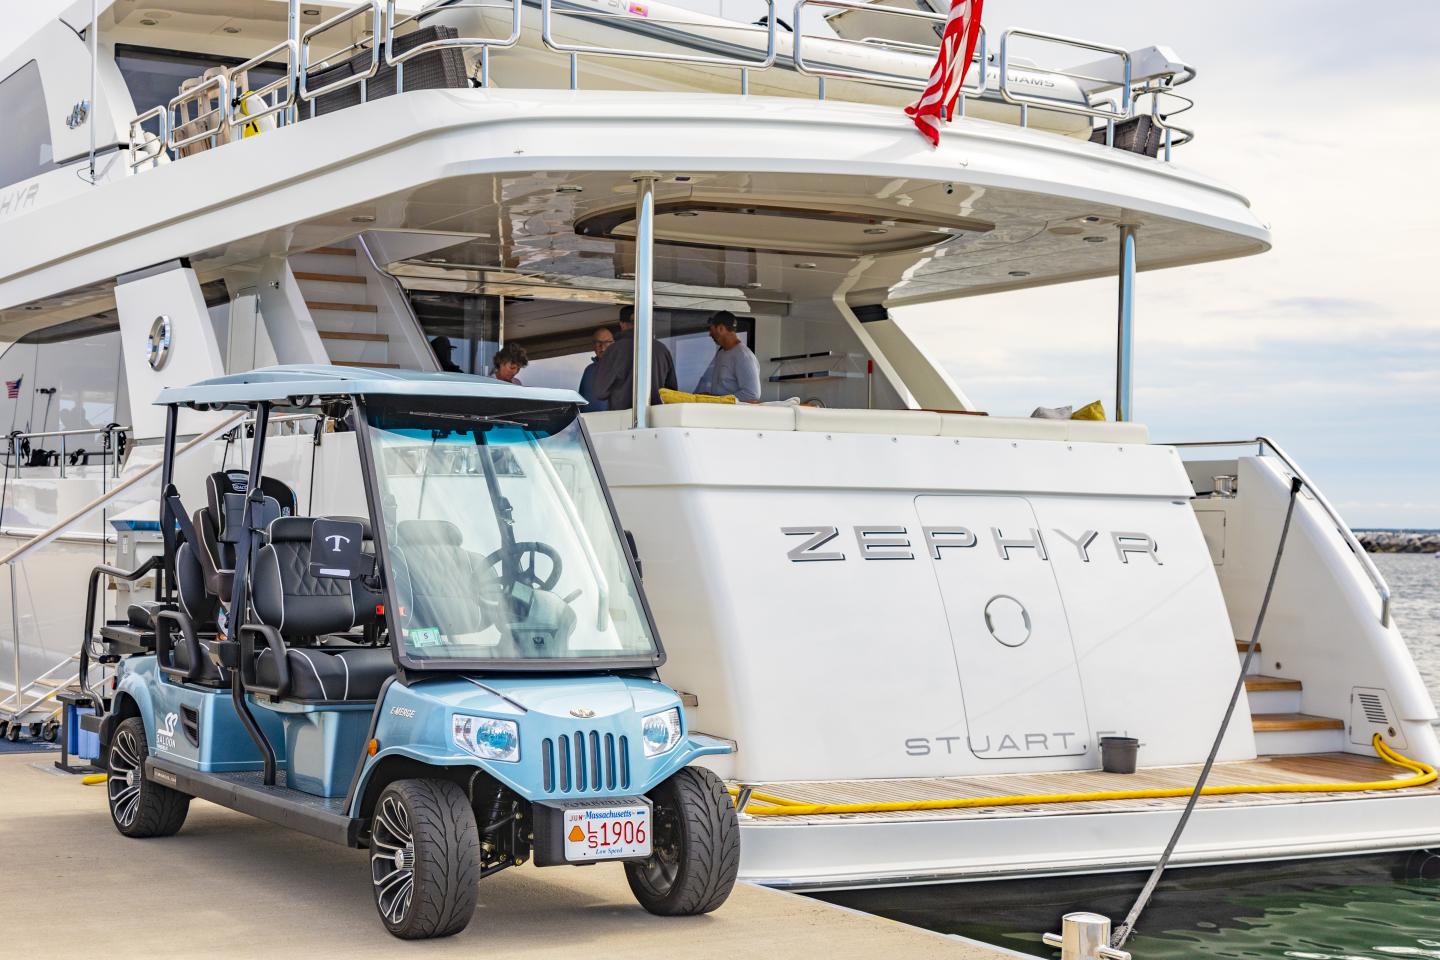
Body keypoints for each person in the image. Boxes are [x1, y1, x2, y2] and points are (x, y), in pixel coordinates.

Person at [589, 306, 677, 410]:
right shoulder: (662, 349)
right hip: (656, 420)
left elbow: (600, 392)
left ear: (621, 324)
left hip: (623, 420)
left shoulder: (614, 351)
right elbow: (672, 392)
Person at [694, 310, 761, 402]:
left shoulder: (743, 356)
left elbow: (752, 394)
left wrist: (716, 399)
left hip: (733, 414)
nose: (710, 334)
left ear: (721, 328)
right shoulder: (721, 353)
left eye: (711, 329)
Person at [577, 326, 615, 410]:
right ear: (593, 346)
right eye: (598, 343)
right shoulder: (589, 370)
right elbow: (581, 401)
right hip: (589, 421)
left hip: (615, 421)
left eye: (607, 342)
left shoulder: (622, 368)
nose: (602, 347)